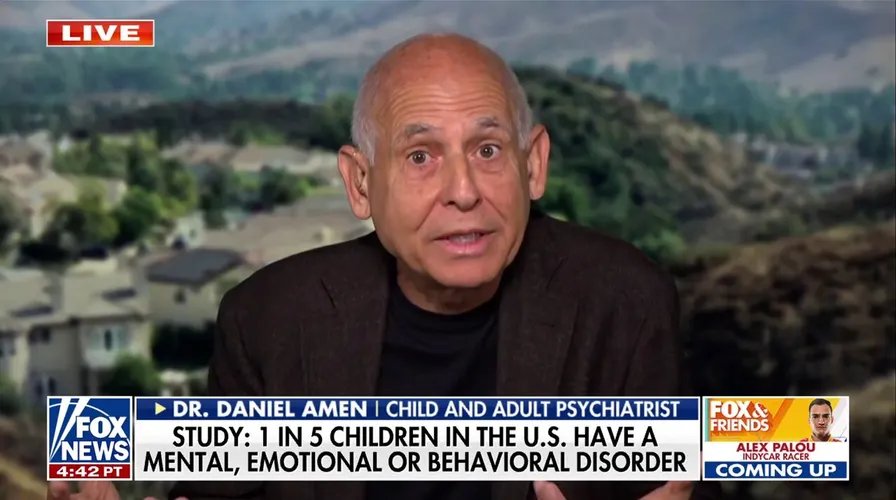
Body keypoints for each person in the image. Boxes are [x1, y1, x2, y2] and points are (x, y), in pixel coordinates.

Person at [47, 33, 717, 500]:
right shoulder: (267, 318)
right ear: (360, 183)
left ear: (533, 165)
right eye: (420, 157)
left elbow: (714, 460)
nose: (462, 191)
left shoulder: (625, 302)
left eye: (488, 150)